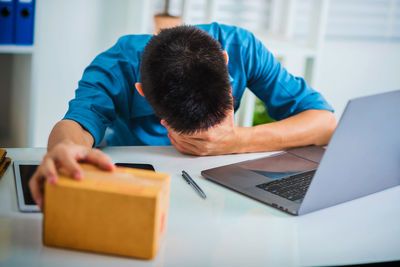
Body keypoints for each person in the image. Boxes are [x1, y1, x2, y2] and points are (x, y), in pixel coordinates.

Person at [29, 23, 337, 210]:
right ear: (142, 92)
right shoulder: (113, 66)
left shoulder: (243, 48)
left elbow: (325, 123)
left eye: (216, 120)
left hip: (218, 190)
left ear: (226, 64)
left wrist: (237, 140)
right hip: (138, 183)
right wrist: (63, 148)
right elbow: (79, 121)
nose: (206, 134)